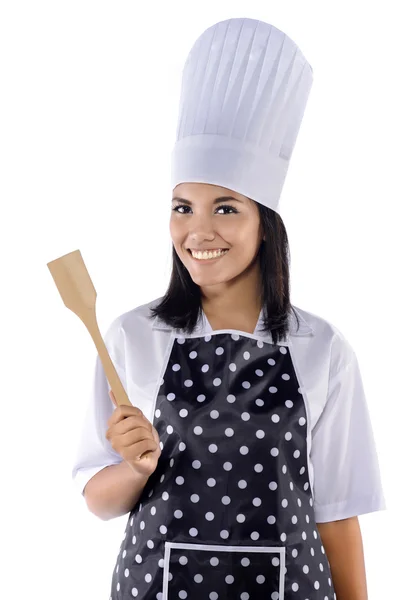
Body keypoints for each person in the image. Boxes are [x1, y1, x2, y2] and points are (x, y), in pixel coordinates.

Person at [71, 18, 386, 600]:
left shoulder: (324, 350)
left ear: (265, 224)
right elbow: (96, 498)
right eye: (183, 207)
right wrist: (137, 468)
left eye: (226, 208)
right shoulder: (131, 336)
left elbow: (338, 513)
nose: (198, 231)